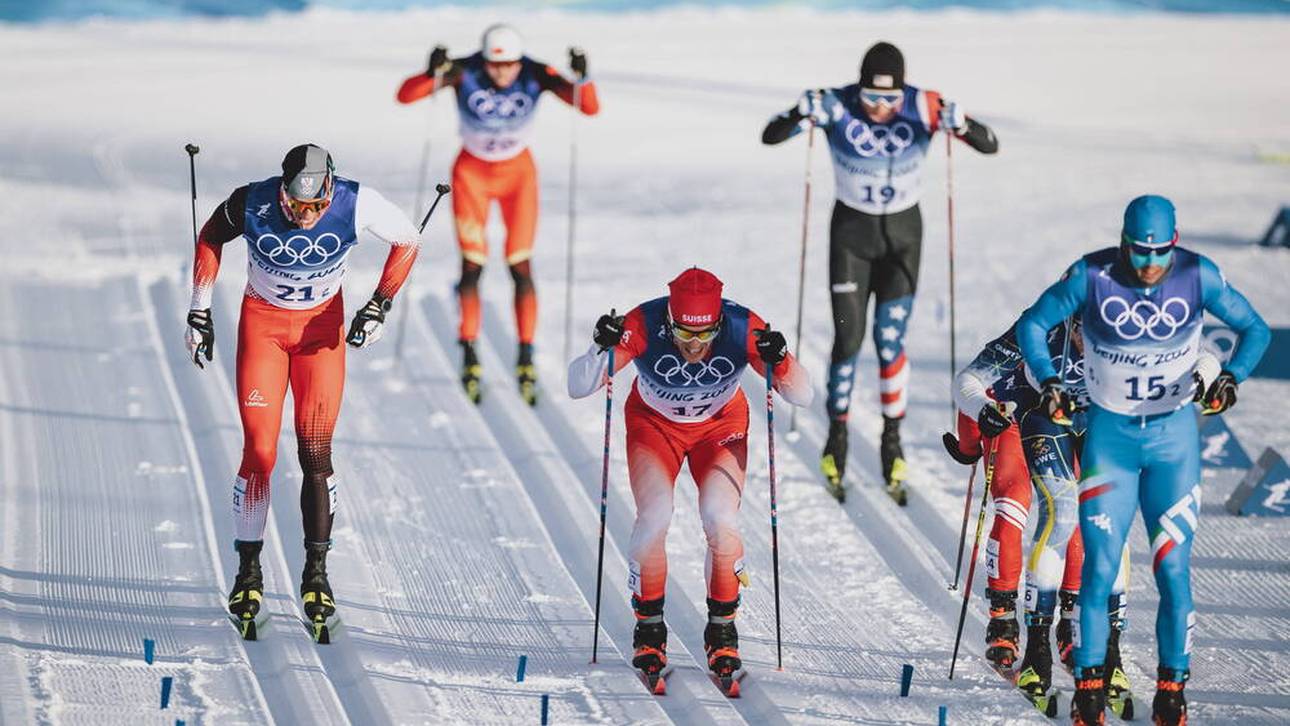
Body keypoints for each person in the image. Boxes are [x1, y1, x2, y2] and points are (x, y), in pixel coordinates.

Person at [1016, 195, 1269, 725]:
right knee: (1100, 570)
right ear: (1124, 241)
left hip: (1173, 445)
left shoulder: (1200, 275)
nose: (1150, 266)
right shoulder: (1093, 274)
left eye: (1159, 254)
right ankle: (1089, 690)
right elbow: (1033, 325)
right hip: (1111, 442)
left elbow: (1257, 330)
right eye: (1139, 253)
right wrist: (1051, 381)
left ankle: (1172, 691)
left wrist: (1231, 376)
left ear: (1173, 244)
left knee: (1173, 570)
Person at [184, 143, 423, 642]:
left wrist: (379, 305)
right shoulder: (253, 201)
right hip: (264, 331)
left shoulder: (358, 203)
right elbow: (210, 235)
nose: (308, 216)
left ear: (331, 190)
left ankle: (316, 576)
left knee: (316, 451)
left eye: (317, 207)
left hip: (321, 333)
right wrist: (199, 310)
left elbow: (408, 238)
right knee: (260, 453)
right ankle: (248, 575)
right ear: (284, 191)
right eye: (297, 206)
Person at [761, 41, 998, 504]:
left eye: (889, 100)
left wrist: (962, 123)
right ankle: (837, 439)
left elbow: (989, 144)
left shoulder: (924, 105)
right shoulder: (836, 104)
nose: (879, 108)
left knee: (891, 343)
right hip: (852, 235)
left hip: (903, 239)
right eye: (871, 97)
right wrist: (797, 112)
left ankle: (893, 444)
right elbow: (771, 135)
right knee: (848, 339)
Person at [947, 313, 1221, 712]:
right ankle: (1004, 618)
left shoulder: (1134, 332)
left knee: (1096, 519)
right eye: (1082, 332)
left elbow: (1207, 355)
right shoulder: (1040, 327)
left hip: (1091, 425)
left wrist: (1197, 382)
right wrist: (975, 432)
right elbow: (967, 383)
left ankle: (1080, 625)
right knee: (1018, 506)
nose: (1088, 342)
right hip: (1019, 418)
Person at [567, 267, 813, 683]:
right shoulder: (643, 323)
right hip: (654, 426)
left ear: (719, 323)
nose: (694, 347)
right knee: (655, 517)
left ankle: (722, 629)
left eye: (704, 336)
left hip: (720, 428)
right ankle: (649, 629)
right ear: (670, 323)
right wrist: (598, 348)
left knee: (721, 517)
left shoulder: (742, 326)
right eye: (683, 335)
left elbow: (803, 396)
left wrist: (782, 361)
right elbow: (577, 387)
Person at [397, 23, 599, 406]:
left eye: (508, 66)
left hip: (518, 177)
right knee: (472, 266)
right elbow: (406, 97)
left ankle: (525, 355)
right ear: (484, 59)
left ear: (519, 61)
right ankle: (470, 351)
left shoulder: (537, 72)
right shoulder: (463, 70)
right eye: (494, 65)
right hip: (472, 174)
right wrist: (430, 71)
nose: (501, 73)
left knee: (519, 265)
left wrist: (582, 76)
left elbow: (588, 107)